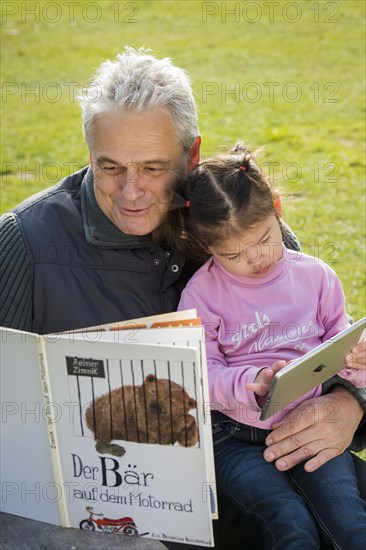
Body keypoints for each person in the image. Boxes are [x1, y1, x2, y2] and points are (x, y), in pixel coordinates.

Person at [0, 47, 365, 550]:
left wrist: (352, 404)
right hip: (99, 508)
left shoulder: (243, 235)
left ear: (191, 155)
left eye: (153, 168)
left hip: (244, 475)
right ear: (89, 154)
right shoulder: (25, 242)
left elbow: (328, 350)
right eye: (110, 167)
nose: (131, 191)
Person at [172, 143, 366, 548]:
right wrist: (251, 381)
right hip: (233, 433)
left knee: (348, 519)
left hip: (310, 418)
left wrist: (356, 359)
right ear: (206, 245)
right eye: (233, 254)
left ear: (277, 208)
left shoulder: (316, 277)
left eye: (264, 239)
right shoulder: (201, 295)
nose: (255, 258)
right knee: (288, 522)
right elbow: (197, 375)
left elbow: (339, 342)